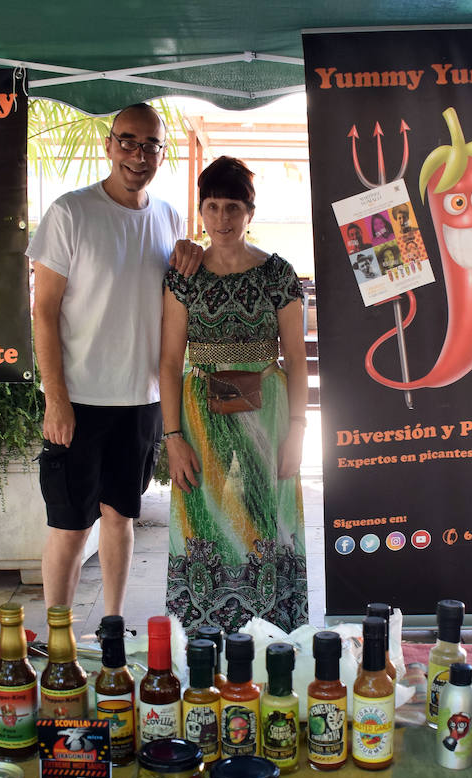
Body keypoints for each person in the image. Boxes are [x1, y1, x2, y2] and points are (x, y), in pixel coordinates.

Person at [28, 103, 202, 616]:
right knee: (70, 524)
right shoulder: (70, 212)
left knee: (121, 516)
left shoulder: (170, 217)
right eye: (128, 141)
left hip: (140, 399)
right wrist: (55, 398)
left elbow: (177, 294)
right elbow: (43, 312)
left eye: (150, 145)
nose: (138, 155)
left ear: (162, 154)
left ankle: (111, 625)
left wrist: (192, 254)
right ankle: (58, 638)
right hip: (79, 398)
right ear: (109, 144)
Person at [159, 156, 309, 634]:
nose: (222, 219)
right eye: (213, 207)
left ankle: (271, 637)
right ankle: (204, 636)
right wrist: (172, 437)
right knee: (201, 519)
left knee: (268, 518)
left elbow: (297, 359)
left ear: (250, 212)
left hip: (268, 417)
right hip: (200, 415)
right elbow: (168, 362)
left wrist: (299, 432)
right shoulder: (184, 275)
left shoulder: (278, 275)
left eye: (233, 208)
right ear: (200, 211)